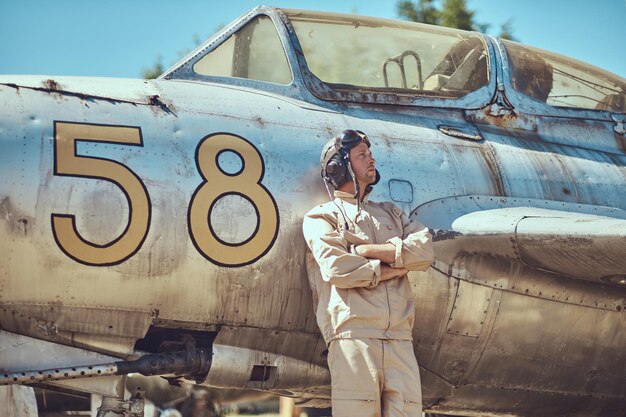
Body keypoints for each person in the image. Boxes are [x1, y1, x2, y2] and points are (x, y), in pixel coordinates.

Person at [302, 130, 435, 417]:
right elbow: (337, 268)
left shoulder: (391, 213)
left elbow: (424, 251)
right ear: (339, 167)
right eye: (361, 155)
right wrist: (396, 264)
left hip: (400, 339)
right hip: (354, 338)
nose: (371, 158)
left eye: (369, 153)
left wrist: (365, 252)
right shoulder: (322, 217)